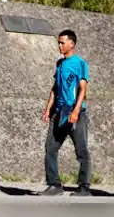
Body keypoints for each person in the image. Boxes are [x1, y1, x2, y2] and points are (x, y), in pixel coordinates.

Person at [40, 29, 91, 197]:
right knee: (51, 148)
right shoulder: (60, 64)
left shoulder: (80, 63)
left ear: (72, 44)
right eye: (58, 43)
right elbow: (55, 88)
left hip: (75, 111)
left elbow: (83, 89)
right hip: (58, 112)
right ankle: (54, 185)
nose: (59, 45)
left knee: (81, 150)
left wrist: (76, 110)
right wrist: (48, 109)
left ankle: (84, 187)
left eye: (62, 43)